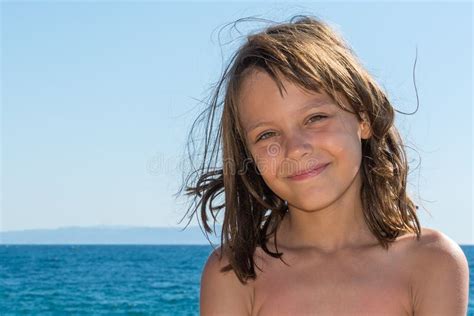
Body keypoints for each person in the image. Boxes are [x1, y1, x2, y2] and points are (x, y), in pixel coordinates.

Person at [178, 15, 469, 315]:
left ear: (363, 117)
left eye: (315, 118)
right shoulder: (235, 275)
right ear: (248, 155)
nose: (295, 149)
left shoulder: (431, 264)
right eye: (267, 134)